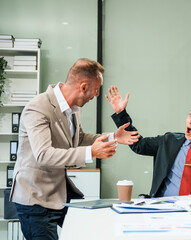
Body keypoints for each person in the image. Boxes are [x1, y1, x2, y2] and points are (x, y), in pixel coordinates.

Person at [10, 59, 139, 240]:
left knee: (91, 231)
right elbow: (43, 155)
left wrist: (113, 137)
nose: (97, 94)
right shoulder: (38, 107)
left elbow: (78, 140)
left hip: (59, 194)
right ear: (84, 86)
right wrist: (91, 152)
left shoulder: (74, 109)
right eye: (97, 88)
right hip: (35, 199)